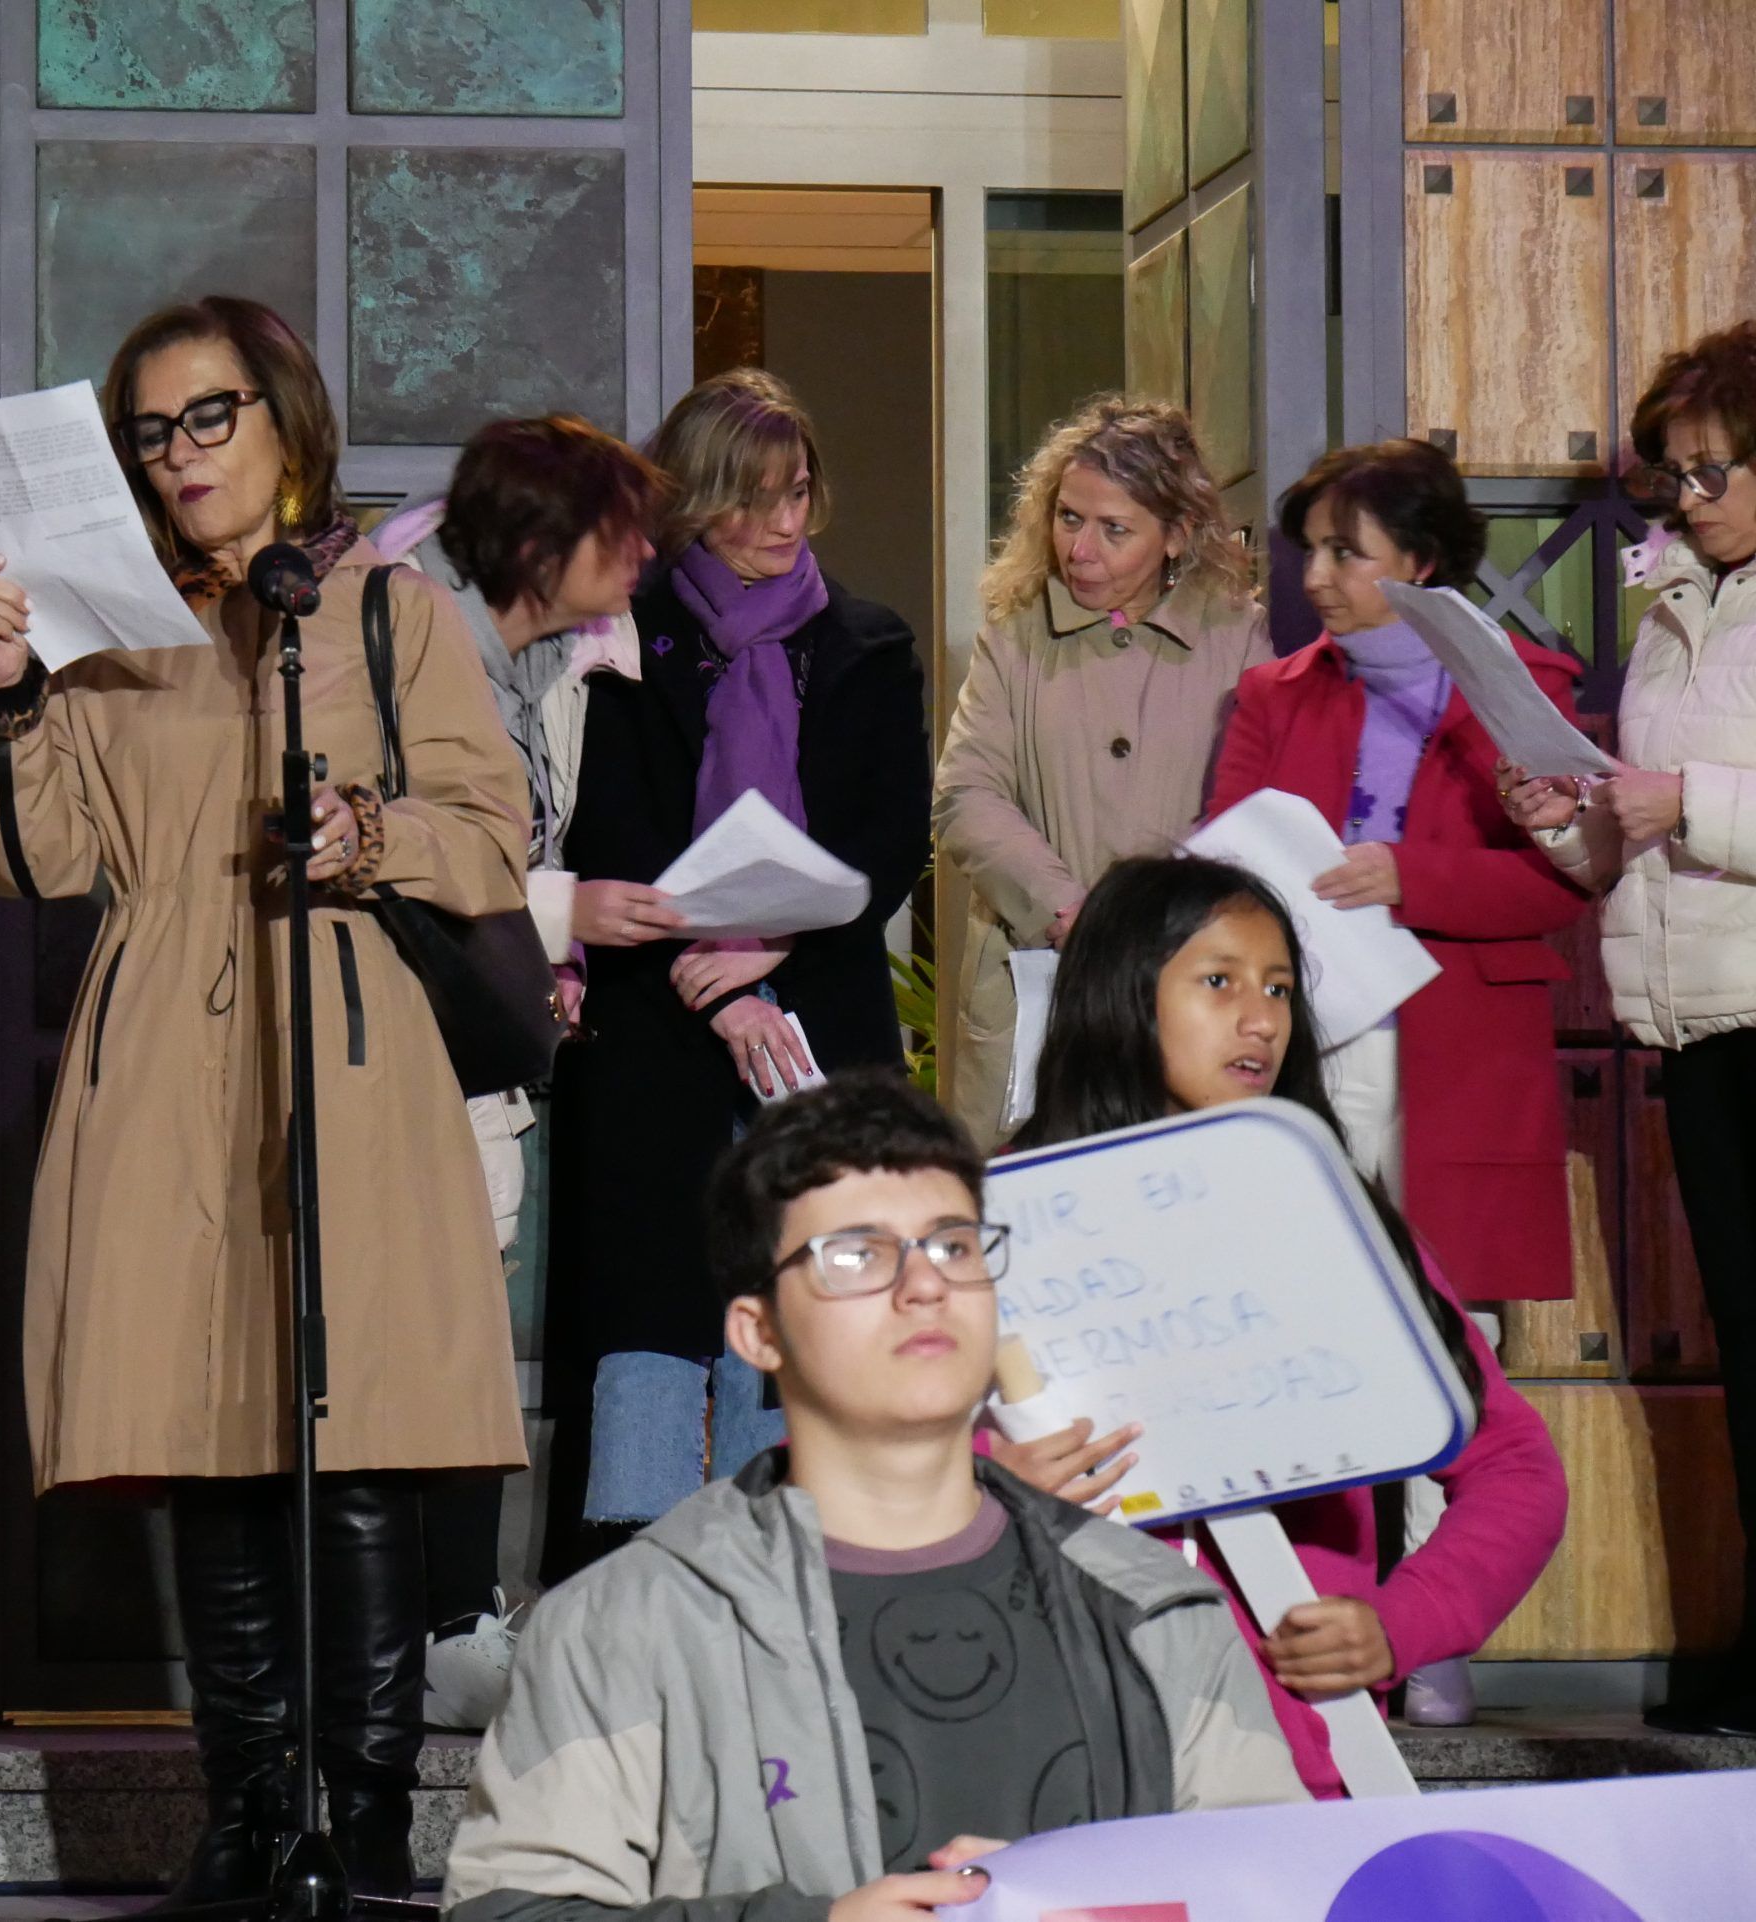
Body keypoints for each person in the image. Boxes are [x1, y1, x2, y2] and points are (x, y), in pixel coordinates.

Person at [0, 294, 531, 1901]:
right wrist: (4, 688)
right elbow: (43, 852)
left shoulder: (380, 611)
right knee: (204, 1435)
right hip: (160, 1058)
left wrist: (370, 832)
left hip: (343, 1047)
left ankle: (367, 1814)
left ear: (284, 423)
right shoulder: (102, 615)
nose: (180, 452)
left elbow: (491, 833)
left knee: (354, 1440)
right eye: (151, 428)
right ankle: (249, 1810)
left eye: (210, 416)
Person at [443, 1072, 1306, 1922]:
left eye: (954, 1246)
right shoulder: (631, 1625)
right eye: (857, 1255)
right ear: (759, 1331)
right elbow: (510, 1911)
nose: (924, 1284)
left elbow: (1279, 1894)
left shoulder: (1148, 1610)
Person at [1003, 855, 1567, 1796]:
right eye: (1218, 981)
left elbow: (1515, 1466)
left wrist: (1404, 1621)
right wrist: (986, 1489)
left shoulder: (1343, 1222)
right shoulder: (992, 1228)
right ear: (1121, 995)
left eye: (1279, 988)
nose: (1261, 1020)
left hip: (1295, 1763)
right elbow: (879, 1494)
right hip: (1054, 1756)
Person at [1207, 441, 1587, 1725]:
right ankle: (1318, 1610)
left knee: (1449, 1339)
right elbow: (1225, 859)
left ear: (1420, 564)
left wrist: (1409, 878)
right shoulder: (1275, 692)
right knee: (1310, 1323)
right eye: (1307, 548)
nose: (1314, 576)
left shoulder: (1525, 687)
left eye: (1343, 553)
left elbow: (1565, 881)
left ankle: (1431, 1629)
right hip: (1306, 1036)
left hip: (1457, 1048)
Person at [549, 368, 931, 1559]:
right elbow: (605, 826)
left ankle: (805, 1556)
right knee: (650, 1298)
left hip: (820, 1012)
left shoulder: (865, 642)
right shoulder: (622, 638)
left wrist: (776, 938)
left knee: (809, 1279)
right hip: (657, 1019)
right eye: (750, 499)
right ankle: (635, 1575)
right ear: (693, 501)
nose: (781, 523)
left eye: (799, 492)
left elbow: (887, 837)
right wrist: (715, 979)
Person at [372, 416, 668, 1728]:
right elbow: (419, 854)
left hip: (480, 1055)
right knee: (432, 1344)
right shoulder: (431, 651)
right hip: (411, 1053)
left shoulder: (540, 662)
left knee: (463, 1340)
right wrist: (567, 913)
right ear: (545, 544)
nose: (648, 555)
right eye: (622, 530)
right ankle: (437, 1625)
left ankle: (451, 1618)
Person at [1502, 318, 1756, 1737]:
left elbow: (1695, 804)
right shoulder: (1673, 610)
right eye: (1673, 477)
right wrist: (1570, 824)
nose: (1689, 500)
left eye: (1713, 471)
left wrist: (1692, 806)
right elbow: (1627, 840)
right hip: (1699, 1021)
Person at [934, 395, 1271, 1150]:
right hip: (1040, 978)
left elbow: (1261, 809)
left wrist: (1170, 933)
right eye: (1068, 517)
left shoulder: (1238, 638)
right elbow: (965, 794)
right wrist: (1066, 912)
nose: (1080, 549)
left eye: (1114, 530)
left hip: (1184, 981)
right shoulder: (1014, 637)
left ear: (1177, 535)